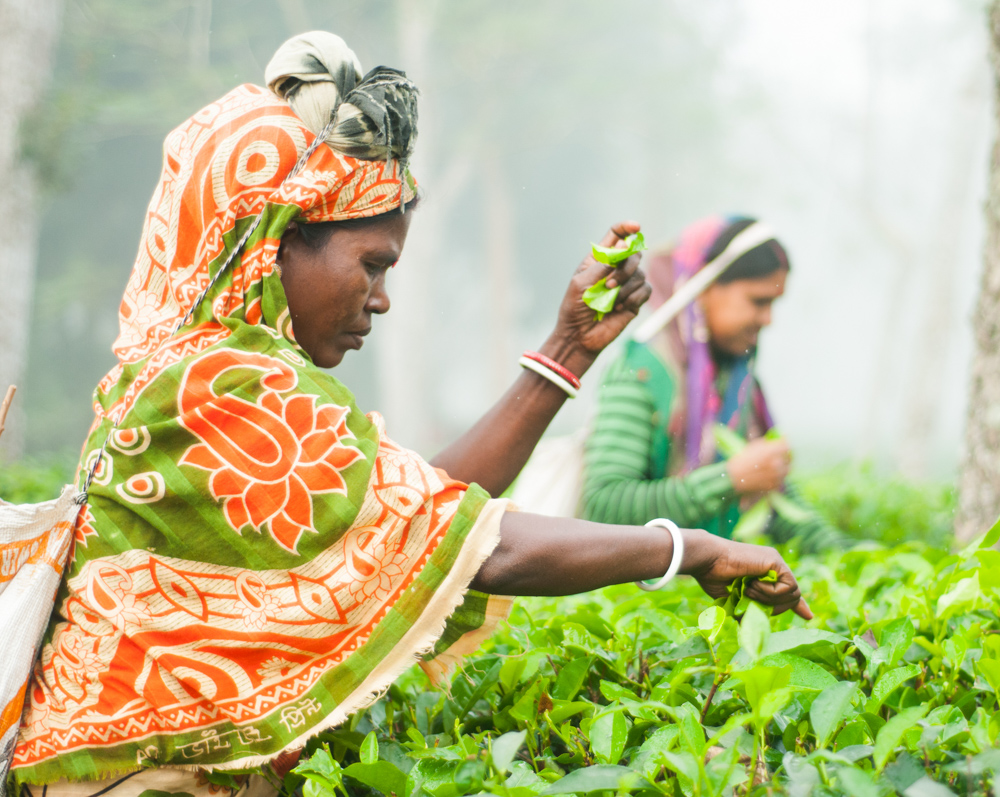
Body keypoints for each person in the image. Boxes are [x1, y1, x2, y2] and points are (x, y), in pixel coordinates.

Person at [8, 34, 811, 797]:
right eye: (372, 264)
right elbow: (484, 550)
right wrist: (692, 549)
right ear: (277, 243)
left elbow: (416, 516)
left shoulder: (224, 373)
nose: (382, 298)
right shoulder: (212, 385)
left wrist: (565, 352)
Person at [580, 216, 842, 548]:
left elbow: (773, 497)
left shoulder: (735, 378)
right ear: (703, 286)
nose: (768, 319)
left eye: (773, 304)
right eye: (758, 301)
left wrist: (854, 557)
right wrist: (729, 479)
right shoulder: (644, 370)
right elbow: (605, 506)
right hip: (643, 592)